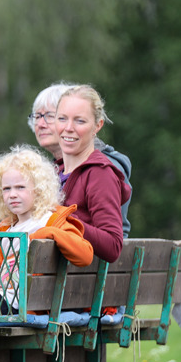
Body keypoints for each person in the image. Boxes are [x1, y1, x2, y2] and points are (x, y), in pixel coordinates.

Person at [0, 146, 93, 315]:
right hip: (0, 298)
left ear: (39, 189)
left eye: (20, 187)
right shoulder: (6, 230)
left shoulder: (51, 221)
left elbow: (85, 255)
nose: (12, 194)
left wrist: (48, 233)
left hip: (20, 308)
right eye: (6, 189)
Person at [29, 82, 132, 236]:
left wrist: (61, 223)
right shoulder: (53, 171)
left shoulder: (101, 170)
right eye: (37, 116)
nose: (41, 124)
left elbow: (112, 238)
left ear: (96, 126)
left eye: (49, 116)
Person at [53, 85, 130, 264]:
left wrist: (62, 220)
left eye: (80, 121)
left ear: (97, 126)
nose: (68, 128)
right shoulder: (51, 172)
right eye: (62, 118)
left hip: (70, 280)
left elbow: (112, 245)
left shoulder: (100, 174)